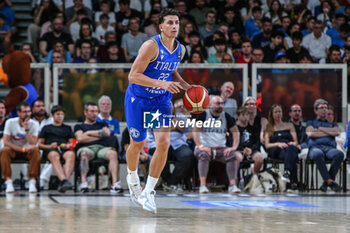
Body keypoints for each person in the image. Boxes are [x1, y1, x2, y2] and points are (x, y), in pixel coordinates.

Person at [124, 8, 191, 213]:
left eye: (176, 22)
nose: (174, 26)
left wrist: (186, 86)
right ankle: (132, 177)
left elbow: (170, 70)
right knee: (138, 143)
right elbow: (133, 75)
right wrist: (161, 84)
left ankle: (148, 191)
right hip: (139, 100)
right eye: (169, 22)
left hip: (160, 101)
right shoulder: (150, 46)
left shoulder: (180, 49)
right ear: (161, 26)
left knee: (163, 143)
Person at [193, 95, 242, 194]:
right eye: (218, 103)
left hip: (220, 148)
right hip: (205, 147)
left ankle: (232, 185)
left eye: (222, 104)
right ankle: (203, 186)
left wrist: (234, 147)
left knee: (232, 155)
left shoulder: (226, 116)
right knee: (203, 155)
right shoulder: (203, 115)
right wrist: (200, 146)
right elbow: (195, 131)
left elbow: (236, 132)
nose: (220, 106)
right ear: (210, 105)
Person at [74, 102, 122, 193]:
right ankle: (83, 183)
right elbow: (80, 138)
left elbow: (107, 133)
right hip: (87, 148)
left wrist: (87, 133)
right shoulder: (79, 126)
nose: (95, 113)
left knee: (113, 154)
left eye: (96, 111)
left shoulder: (103, 124)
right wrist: (99, 135)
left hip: (102, 148)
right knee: (84, 154)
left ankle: (115, 184)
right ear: (85, 112)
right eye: (92, 111)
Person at [147, 99, 193, 193]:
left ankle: (171, 183)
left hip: (178, 144)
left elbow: (185, 129)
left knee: (187, 154)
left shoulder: (180, 116)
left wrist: (172, 122)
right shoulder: (152, 116)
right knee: (160, 154)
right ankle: (169, 182)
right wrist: (174, 126)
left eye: (169, 106)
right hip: (157, 144)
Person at [0, 102, 40, 193]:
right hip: (13, 149)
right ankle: (8, 181)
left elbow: (33, 143)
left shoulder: (34, 124)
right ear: (18, 113)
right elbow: (6, 142)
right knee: (4, 150)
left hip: (28, 150)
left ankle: (32, 181)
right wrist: (21, 149)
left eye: (29, 112)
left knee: (36, 151)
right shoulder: (10, 122)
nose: (27, 114)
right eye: (25, 112)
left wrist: (26, 130)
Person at [305, 99, 343, 192]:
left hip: (330, 149)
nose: (324, 110)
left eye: (326, 108)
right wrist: (329, 132)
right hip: (315, 148)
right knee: (318, 154)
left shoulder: (332, 123)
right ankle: (330, 181)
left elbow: (337, 132)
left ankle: (326, 182)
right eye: (321, 108)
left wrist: (320, 129)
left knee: (339, 154)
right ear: (315, 110)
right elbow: (310, 133)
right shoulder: (310, 123)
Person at [38, 105, 75, 192]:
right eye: (58, 114)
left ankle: (64, 181)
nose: (60, 116)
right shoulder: (46, 128)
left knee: (71, 154)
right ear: (52, 115)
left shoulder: (68, 128)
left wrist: (69, 145)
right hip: (51, 149)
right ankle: (64, 181)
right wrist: (49, 146)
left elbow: (72, 142)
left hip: (64, 148)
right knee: (54, 155)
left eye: (62, 114)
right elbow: (39, 144)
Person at [264, 104, 300, 191]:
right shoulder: (269, 127)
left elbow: (296, 141)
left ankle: (287, 173)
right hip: (275, 149)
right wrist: (277, 144)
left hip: (287, 148)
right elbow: (267, 145)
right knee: (292, 155)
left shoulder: (289, 125)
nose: (278, 114)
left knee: (292, 149)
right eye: (276, 112)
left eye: (279, 111)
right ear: (272, 114)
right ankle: (292, 182)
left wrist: (292, 143)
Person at [233, 107, 263, 175]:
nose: (246, 117)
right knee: (236, 157)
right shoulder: (234, 129)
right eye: (243, 115)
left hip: (251, 150)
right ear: (238, 116)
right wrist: (242, 149)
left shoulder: (253, 128)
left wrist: (251, 149)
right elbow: (232, 143)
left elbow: (257, 142)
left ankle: (254, 176)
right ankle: (234, 180)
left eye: (247, 115)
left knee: (260, 158)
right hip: (238, 150)